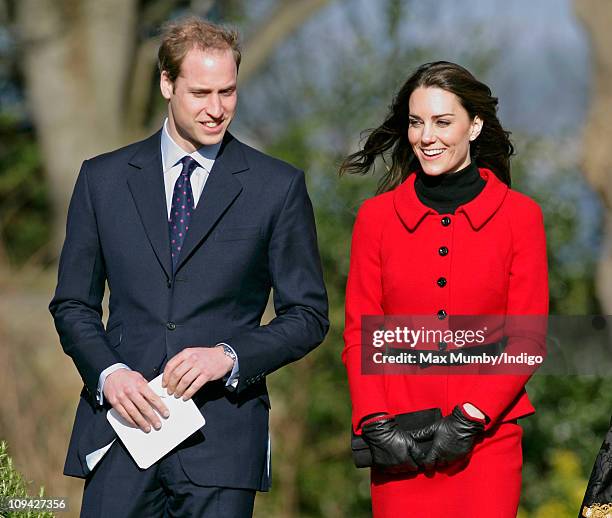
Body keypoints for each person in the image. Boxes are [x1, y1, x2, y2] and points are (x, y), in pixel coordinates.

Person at [49, 17, 328, 518]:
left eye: (228, 91)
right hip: (120, 436)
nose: (216, 109)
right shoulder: (102, 180)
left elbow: (307, 316)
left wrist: (228, 356)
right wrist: (108, 374)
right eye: (201, 92)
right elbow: (72, 304)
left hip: (222, 443)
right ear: (166, 83)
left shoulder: (276, 188)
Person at [340, 61, 548, 517]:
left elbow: (528, 338)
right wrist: (374, 422)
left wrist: (472, 416)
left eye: (442, 121)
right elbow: (360, 334)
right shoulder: (375, 220)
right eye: (416, 122)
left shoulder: (521, 218)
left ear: (474, 126)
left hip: (487, 444)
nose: (426, 136)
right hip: (399, 443)